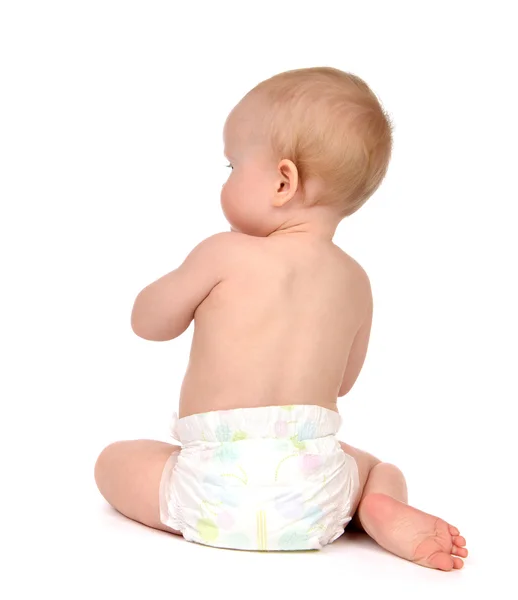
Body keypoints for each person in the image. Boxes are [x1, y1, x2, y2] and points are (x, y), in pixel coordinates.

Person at [94, 67, 467, 570]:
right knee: (379, 467)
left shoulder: (222, 252)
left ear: (282, 182)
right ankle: (379, 506)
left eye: (232, 167)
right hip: (316, 494)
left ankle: (213, 506)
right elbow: (346, 381)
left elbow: (148, 323)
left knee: (113, 460)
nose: (227, 179)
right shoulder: (355, 281)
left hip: (210, 489)